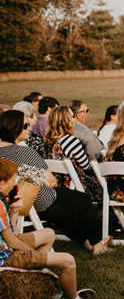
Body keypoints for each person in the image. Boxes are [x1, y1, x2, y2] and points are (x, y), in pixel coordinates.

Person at [0, 110, 110, 256]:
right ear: (15, 129)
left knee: (66, 210)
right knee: (82, 200)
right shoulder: (24, 152)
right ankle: (97, 243)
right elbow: (51, 181)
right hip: (39, 202)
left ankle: (86, 243)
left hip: (10, 204)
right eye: (26, 126)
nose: (29, 129)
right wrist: (30, 174)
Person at [0, 158, 95, 299]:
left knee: (49, 233)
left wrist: (13, 212)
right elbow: (11, 241)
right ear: (1, 184)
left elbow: (12, 232)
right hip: (6, 256)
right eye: (12, 180)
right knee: (68, 260)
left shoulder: (2, 200)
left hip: (5, 246)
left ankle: (40, 280)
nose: (15, 184)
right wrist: (32, 252)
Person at [42, 106, 103, 203]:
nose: (74, 120)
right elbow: (86, 166)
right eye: (71, 117)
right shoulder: (70, 141)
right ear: (66, 121)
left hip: (56, 187)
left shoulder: (47, 143)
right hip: (76, 187)